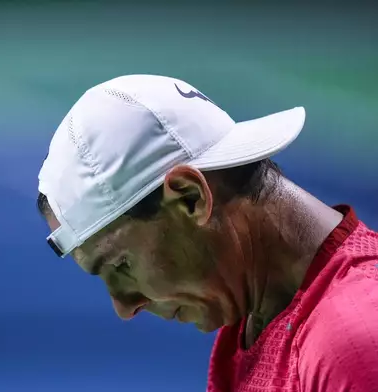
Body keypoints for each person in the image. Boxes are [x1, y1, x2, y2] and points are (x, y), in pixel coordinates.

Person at [35, 74, 378, 391]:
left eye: (121, 265)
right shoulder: (253, 317)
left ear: (190, 197)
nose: (125, 307)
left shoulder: (352, 344)